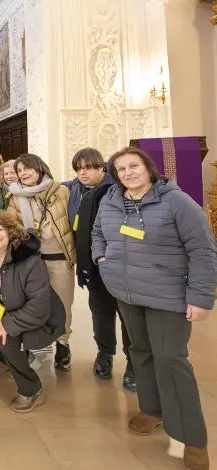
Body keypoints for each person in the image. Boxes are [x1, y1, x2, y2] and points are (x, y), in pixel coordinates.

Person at [92, 147, 216, 470]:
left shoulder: (176, 202)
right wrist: (101, 258)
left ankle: (193, 438)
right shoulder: (111, 200)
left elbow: (203, 250)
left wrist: (201, 297)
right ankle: (152, 410)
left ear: (149, 168)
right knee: (141, 352)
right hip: (127, 293)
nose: (128, 173)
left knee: (171, 359)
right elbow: (97, 233)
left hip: (167, 295)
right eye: (121, 169)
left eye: (134, 166)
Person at [0, 212, 66, 413]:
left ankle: (31, 389)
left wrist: (6, 324)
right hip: (0, 312)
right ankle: (18, 361)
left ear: (10, 231)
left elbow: (38, 305)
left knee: (5, 341)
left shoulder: (29, 260)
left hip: (35, 318)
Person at [66, 148, 134, 390]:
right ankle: (104, 354)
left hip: (120, 266)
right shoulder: (74, 190)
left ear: (101, 168)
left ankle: (133, 365)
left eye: (87, 168)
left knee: (129, 317)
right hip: (93, 268)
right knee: (101, 314)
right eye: (78, 168)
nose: (82, 172)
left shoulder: (118, 190)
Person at [7, 154, 75, 371]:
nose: (24, 173)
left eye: (28, 168)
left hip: (59, 257)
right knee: (29, 303)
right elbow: (11, 226)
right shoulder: (14, 197)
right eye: (19, 170)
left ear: (39, 169)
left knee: (63, 304)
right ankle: (29, 344)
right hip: (31, 259)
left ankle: (63, 344)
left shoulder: (61, 191)